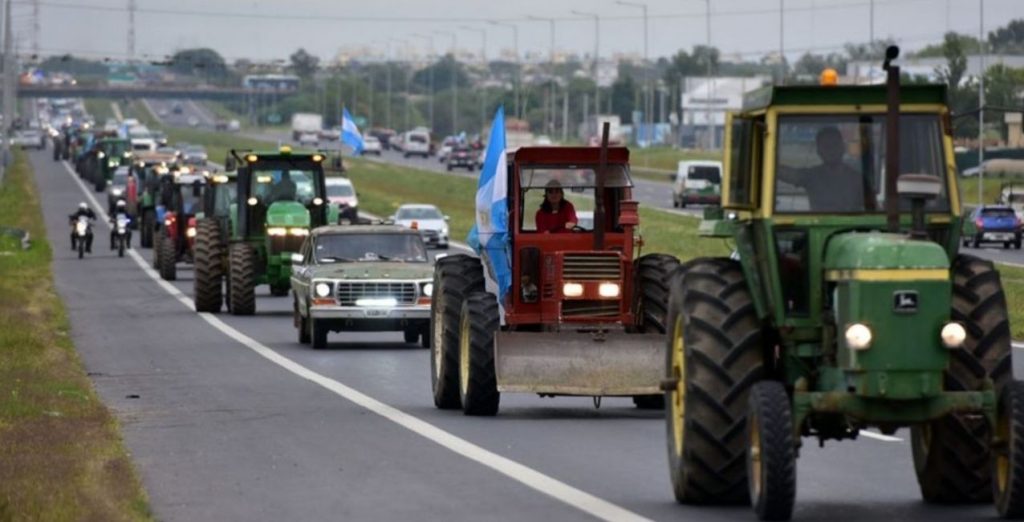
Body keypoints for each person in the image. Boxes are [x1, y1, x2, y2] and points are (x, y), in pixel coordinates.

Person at [777, 126, 877, 212]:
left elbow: (872, 210)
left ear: (842, 148)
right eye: (826, 146)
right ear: (819, 151)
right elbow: (785, 173)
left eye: (834, 145)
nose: (831, 150)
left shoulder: (858, 180)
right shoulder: (811, 176)